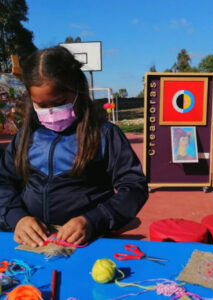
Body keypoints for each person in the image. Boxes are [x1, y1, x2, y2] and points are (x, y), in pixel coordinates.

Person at [0, 46, 148, 247]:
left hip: (89, 242)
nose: (50, 112)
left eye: (59, 102)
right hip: (31, 243)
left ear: (78, 91)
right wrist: (17, 218)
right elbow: (4, 182)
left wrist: (94, 220)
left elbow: (134, 187)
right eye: (41, 105)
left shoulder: (104, 135)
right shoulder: (25, 137)